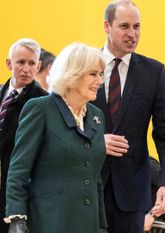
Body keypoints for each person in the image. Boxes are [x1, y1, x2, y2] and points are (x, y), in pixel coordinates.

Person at [92, 1, 165, 232]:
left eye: (137, 26)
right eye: (124, 26)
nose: (132, 34)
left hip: (133, 194)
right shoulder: (85, 66)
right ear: (107, 26)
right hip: (87, 187)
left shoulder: (154, 72)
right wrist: (96, 143)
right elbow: (65, 127)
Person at [5, 43, 107, 233]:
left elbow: (94, 177)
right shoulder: (40, 109)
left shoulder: (96, 116)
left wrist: (101, 224)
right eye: (93, 74)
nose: (100, 81)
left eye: (101, 74)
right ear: (73, 74)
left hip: (87, 224)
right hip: (48, 221)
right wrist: (17, 218)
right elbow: (19, 169)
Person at [0, 38, 48, 233]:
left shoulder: (44, 101)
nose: (26, 69)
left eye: (32, 63)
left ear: (38, 66)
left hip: (17, 192)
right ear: (9, 63)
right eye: (21, 62)